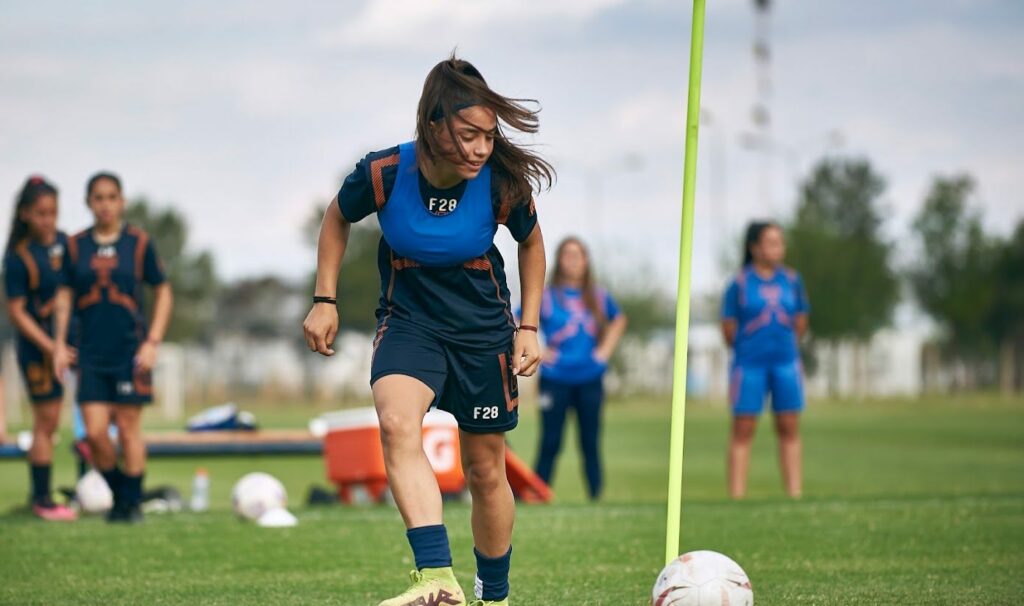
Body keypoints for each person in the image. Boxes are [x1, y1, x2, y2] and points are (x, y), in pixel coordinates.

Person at [303, 54, 551, 606]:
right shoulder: (385, 172)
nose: (482, 148)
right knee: (395, 423)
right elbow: (336, 217)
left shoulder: (500, 183)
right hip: (409, 322)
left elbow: (531, 244)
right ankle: (437, 578)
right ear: (434, 125)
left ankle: (495, 595)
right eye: (469, 135)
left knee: (485, 470)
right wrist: (325, 298)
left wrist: (528, 326)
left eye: (488, 136)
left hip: (484, 330)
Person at [52, 172, 173, 523]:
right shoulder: (76, 247)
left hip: (130, 353)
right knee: (93, 432)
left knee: (130, 429)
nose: (105, 204)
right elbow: (63, 295)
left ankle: (129, 507)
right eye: (98, 198)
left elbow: (163, 290)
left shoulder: (138, 244)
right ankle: (124, 494)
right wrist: (59, 343)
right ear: (89, 203)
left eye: (111, 197)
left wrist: (153, 341)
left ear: (122, 202)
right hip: (89, 354)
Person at [3, 175, 77, 520]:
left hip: (66, 344)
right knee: (45, 423)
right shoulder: (17, 258)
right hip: (37, 350)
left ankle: (87, 486)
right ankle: (42, 498)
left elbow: (65, 295)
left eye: (53, 212)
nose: (48, 220)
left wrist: (62, 343)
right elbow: (17, 312)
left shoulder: (65, 244)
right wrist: (50, 347)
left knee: (87, 414)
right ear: (25, 215)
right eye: (41, 213)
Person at [721, 221, 809, 499]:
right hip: (749, 366)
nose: (776, 248)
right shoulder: (740, 283)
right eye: (770, 242)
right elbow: (728, 326)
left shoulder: (792, 280)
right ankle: (737, 496)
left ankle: (794, 493)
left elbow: (801, 320)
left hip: (785, 363)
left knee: (788, 426)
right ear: (754, 247)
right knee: (743, 428)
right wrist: (748, 348)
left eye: (779, 242)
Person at [534, 237, 627, 501]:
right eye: (567, 255)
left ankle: (596, 497)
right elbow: (518, 317)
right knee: (551, 441)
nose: (573, 260)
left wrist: (604, 351)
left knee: (590, 442)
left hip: (589, 378)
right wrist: (539, 349)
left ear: (586, 261)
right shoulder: (547, 295)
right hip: (554, 379)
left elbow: (618, 320)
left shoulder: (598, 296)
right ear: (559, 260)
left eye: (579, 255)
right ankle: (538, 494)